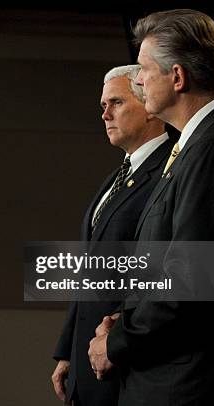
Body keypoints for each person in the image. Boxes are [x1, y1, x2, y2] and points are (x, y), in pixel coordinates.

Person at [88, 9, 214, 406]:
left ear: (177, 77)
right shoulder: (200, 142)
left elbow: (191, 284)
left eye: (142, 70)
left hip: (188, 385)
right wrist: (124, 319)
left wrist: (117, 342)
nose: (137, 81)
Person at [52, 64, 174, 405]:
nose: (105, 114)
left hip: (124, 361)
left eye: (116, 103)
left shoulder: (169, 173)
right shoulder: (119, 174)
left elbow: (154, 274)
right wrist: (68, 350)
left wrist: (116, 339)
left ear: (149, 107)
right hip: (88, 361)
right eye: (103, 105)